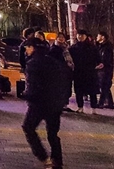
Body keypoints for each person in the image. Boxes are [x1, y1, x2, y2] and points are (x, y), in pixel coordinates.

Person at [22, 37, 70, 169]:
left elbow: (33, 85)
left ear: (33, 47)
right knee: (52, 133)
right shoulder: (54, 62)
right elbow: (63, 82)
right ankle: (57, 160)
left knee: (28, 127)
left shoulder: (33, 63)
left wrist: (26, 95)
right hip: (55, 103)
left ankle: (43, 157)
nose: (26, 50)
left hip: (39, 103)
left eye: (27, 47)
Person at [70, 29, 100, 113]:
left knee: (92, 91)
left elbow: (98, 58)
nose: (80, 37)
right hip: (78, 72)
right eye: (79, 35)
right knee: (78, 91)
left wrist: (100, 63)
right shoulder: (73, 47)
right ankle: (80, 107)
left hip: (90, 72)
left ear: (86, 36)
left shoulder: (92, 47)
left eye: (82, 35)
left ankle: (93, 108)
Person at [96, 31, 113, 109]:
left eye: (98, 36)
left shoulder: (107, 47)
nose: (97, 37)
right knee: (105, 86)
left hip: (106, 69)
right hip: (103, 68)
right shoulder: (100, 46)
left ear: (102, 37)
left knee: (104, 85)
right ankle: (110, 103)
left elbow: (107, 58)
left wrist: (102, 64)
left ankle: (101, 103)